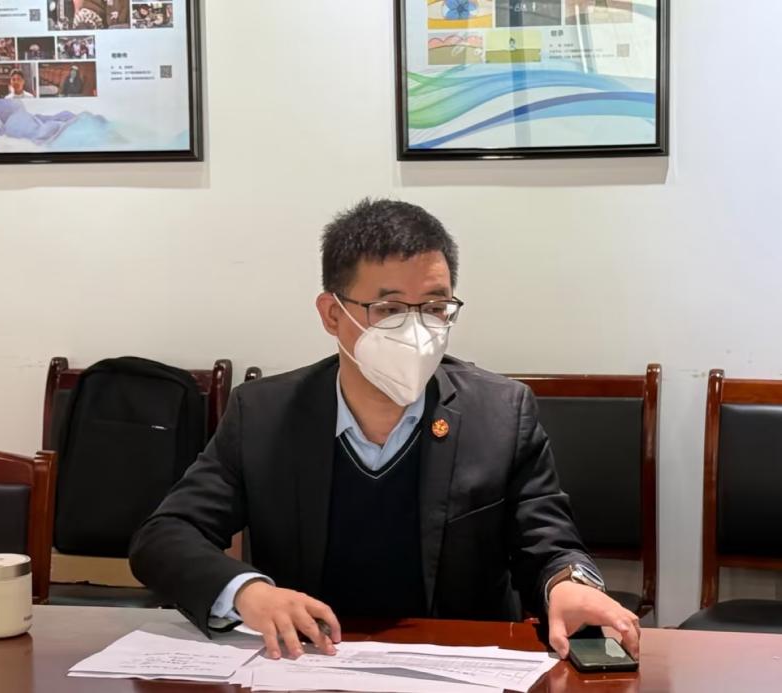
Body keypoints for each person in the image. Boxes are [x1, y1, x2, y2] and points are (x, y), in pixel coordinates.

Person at [129, 199, 641, 663]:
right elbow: (166, 536)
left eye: (435, 308)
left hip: (458, 667)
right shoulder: (264, 414)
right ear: (332, 314)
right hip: (311, 663)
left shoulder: (501, 412)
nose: (417, 331)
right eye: (390, 310)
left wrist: (569, 584)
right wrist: (248, 592)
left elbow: (548, 545)